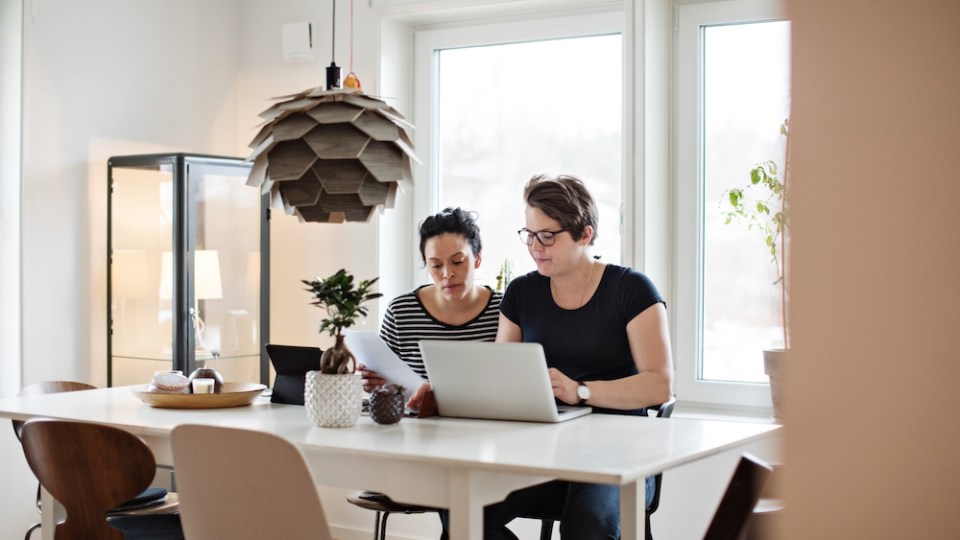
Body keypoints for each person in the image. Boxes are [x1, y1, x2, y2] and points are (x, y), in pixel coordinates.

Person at [489, 174, 674, 540]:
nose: (535, 246)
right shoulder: (522, 292)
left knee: (589, 525)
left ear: (584, 235)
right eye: (528, 234)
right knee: (459, 508)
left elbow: (659, 384)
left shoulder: (632, 289)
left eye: (547, 236)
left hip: (619, 457)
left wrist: (582, 392)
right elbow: (501, 376)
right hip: (544, 454)